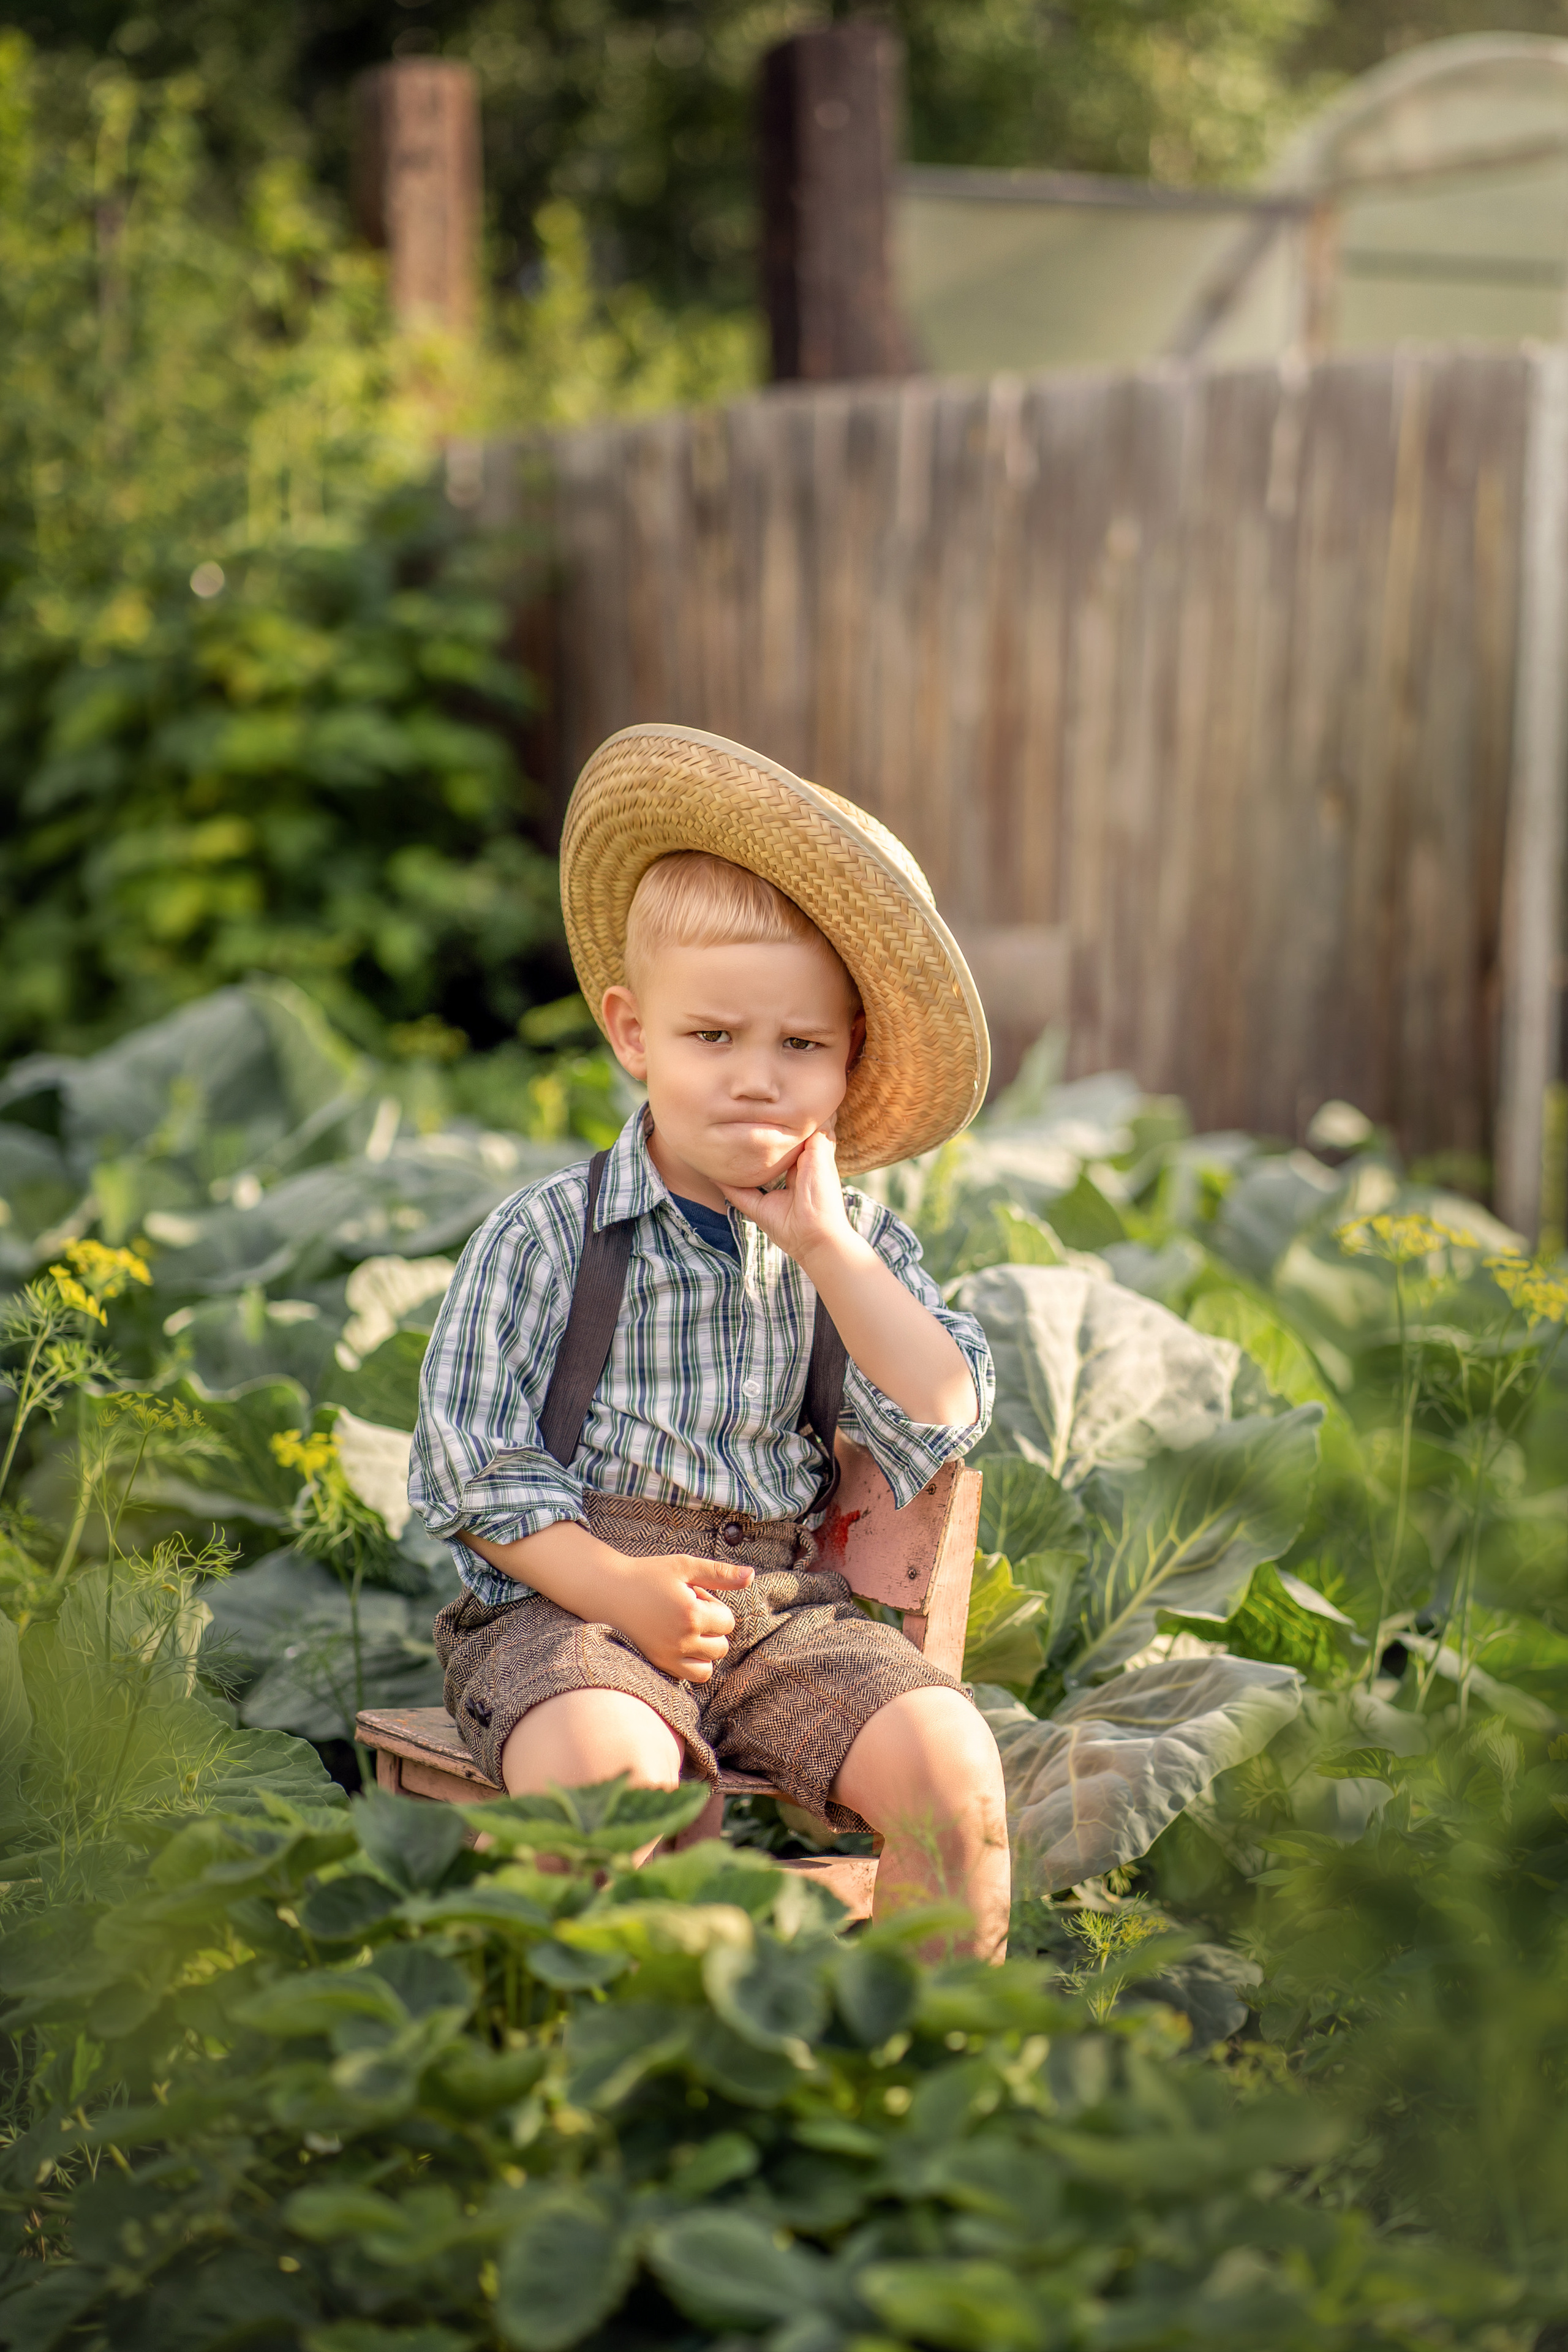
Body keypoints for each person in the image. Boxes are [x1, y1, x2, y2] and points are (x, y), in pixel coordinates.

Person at [409, 725, 1009, 1958]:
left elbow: (945, 1404)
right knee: (607, 1779)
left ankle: (936, 2075)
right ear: (634, 1036)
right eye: (711, 1038)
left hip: (780, 1616)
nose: (755, 1080)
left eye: (801, 1047)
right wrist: (620, 1588)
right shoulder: (544, 1238)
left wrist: (828, 1253)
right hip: (569, 1605)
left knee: (954, 1770)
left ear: (848, 1066)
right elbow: (468, 1470)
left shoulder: (857, 1250)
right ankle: (632, 2083)